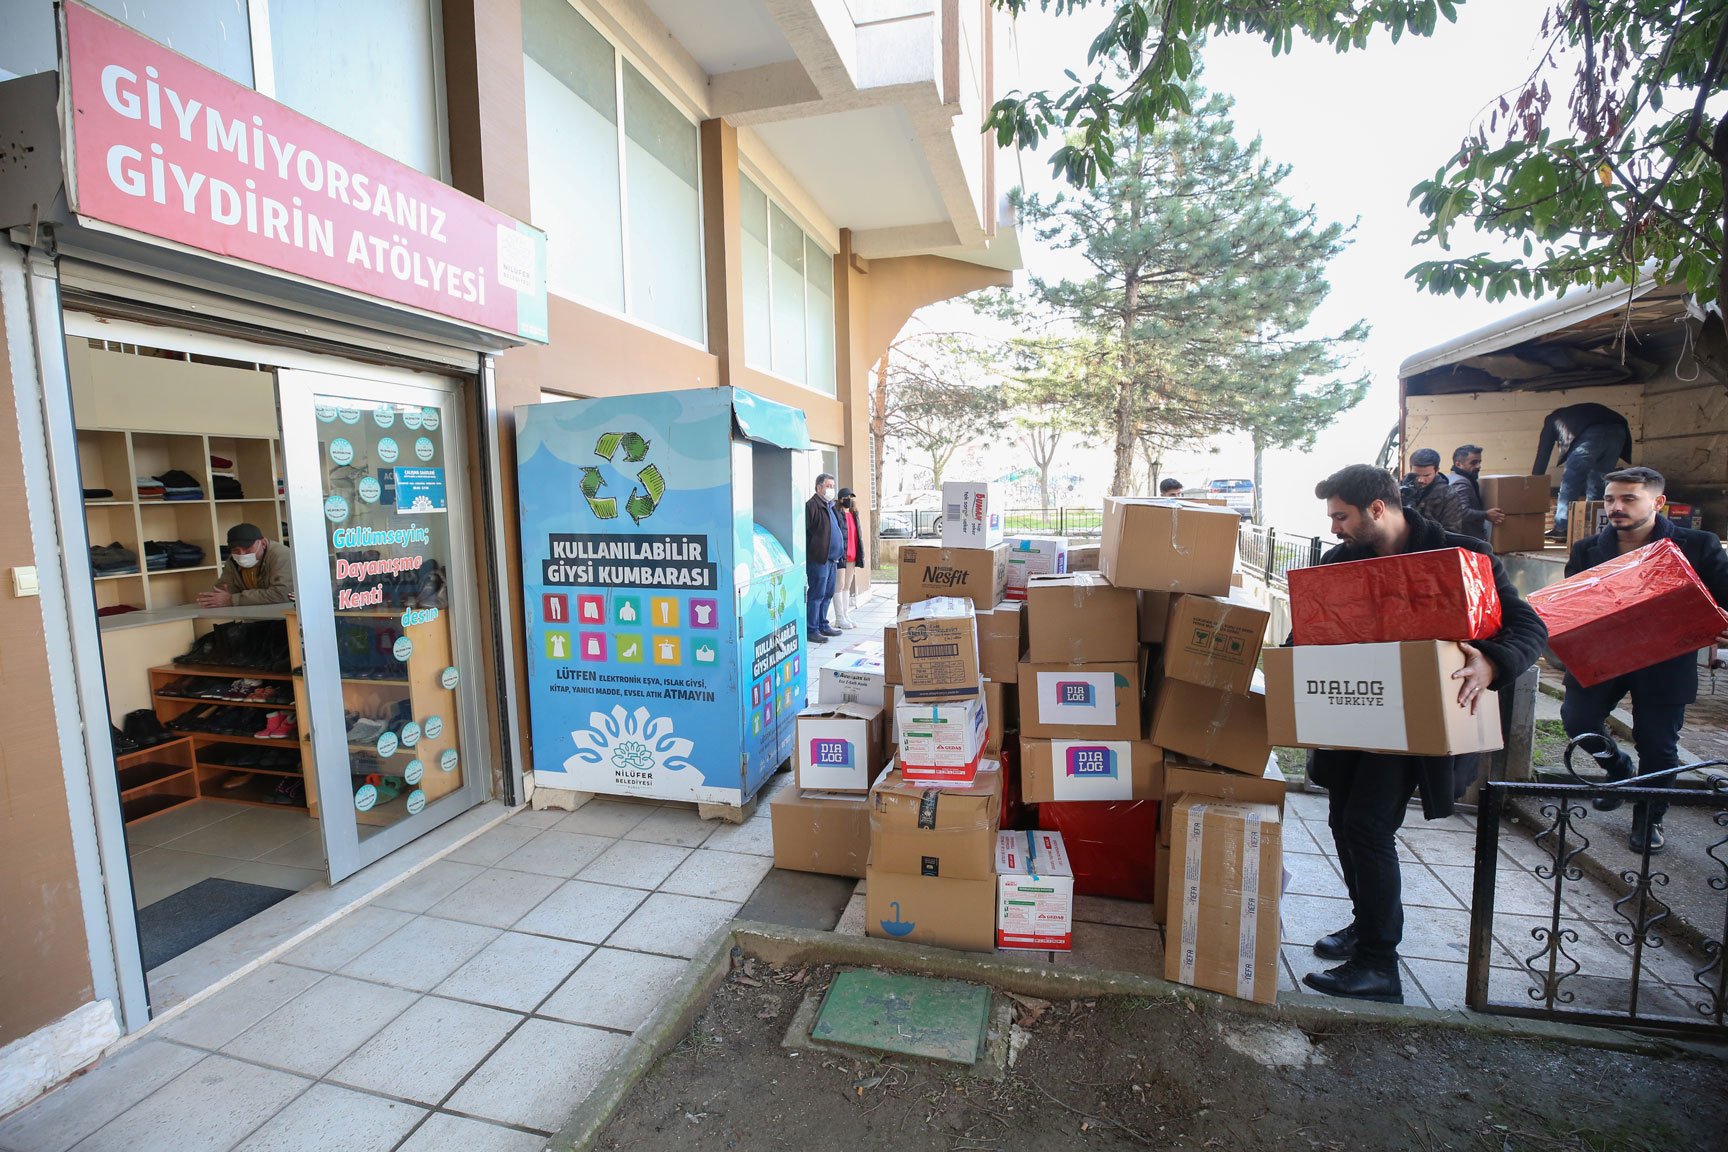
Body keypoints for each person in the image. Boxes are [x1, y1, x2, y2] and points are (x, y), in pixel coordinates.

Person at [1301, 464, 1547, 1004]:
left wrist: (1492, 663)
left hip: (1420, 721)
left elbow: (1529, 627)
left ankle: (1378, 966)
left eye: (1341, 516)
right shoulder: (1340, 562)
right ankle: (1366, 925)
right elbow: (1308, 633)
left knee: (1367, 825)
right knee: (1344, 820)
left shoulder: (1464, 556)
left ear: (1378, 509)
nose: (1335, 527)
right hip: (1353, 718)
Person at [1559, 467, 1728, 854]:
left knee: (1658, 744)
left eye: (1628, 498)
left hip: (1666, 660)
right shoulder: (1588, 549)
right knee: (1577, 720)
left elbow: (1722, 595)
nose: (1616, 507)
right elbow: (1571, 601)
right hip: (1603, 655)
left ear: (1658, 502)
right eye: (1610, 499)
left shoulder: (1698, 544)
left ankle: (1648, 817)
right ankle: (1618, 771)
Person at [1533, 402, 1632, 541]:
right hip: (1619, 431)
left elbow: (1544, 451)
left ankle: (1562, 528)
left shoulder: (1552, 420)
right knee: (1599, 482)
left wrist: (1534, 481)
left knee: (1571, 481)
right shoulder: (1574, 415)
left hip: (1592, 433)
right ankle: (1592, 527)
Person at [197, 524, 294, 607]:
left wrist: (232, 600)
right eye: (235, 550)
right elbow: (223, 588)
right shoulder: (233, 560)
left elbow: (283, 593)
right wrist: (220, 596)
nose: (242, 554)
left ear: (263, 543)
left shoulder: (281, 555)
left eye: (247, 548)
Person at [803, 473, 844, 644]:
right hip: (818, 560)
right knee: (817, 594)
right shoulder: (812, 506)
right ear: (819, 487)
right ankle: (812, 629)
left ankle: (823, 624)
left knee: (827, 594)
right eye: (828, 486)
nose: (831, 489)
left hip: (832, 560)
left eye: (832, 486)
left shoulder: (831, 506)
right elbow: (806, 533)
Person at [1446, 444, 1506, 542]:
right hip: (1466, 540)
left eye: (1479, 462)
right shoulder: (1461, 482)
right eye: (1473, 463)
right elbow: (1461, 512)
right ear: (1458, 464)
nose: (1478, 466)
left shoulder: (1451, 478)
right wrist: (1486, 515)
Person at [1402, 448, 1465, 533]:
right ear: (1410, 468)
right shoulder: (1401, 488)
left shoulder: (1448, 495)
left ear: (1437, 471)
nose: (1421, 480)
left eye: (1426, 475)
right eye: (1416, 475)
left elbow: (1452, 531)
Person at [830, 487, 866, 629]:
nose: (850, 500)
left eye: (851, 498)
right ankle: (839, 618)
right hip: (841, 554)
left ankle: (845, 615)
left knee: (846, 585)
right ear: (840, 499)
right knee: (838, 585)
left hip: (852, 554)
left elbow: (857, 535)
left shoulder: (853, 514)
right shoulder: (836, 513)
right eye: (847, 498)